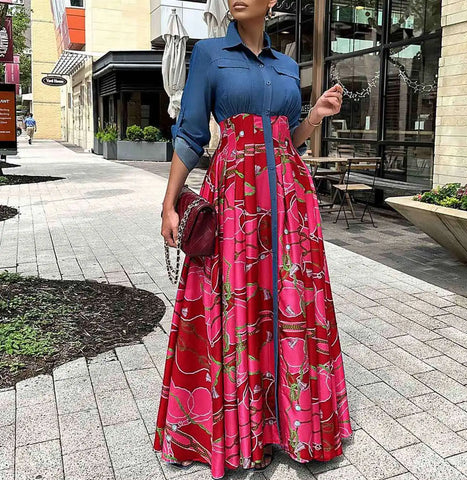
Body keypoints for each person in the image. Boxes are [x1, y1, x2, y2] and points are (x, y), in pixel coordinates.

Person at [154, 1, 352, 478]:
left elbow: (289, 138)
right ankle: (242, 431)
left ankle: (290, 426)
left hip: (289, 200)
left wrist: (316, 115)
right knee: (237, 303)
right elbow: (191, 134)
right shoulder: (209, 54)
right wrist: (169, 202)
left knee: (288, 300)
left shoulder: (287, 66)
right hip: (236, 199)